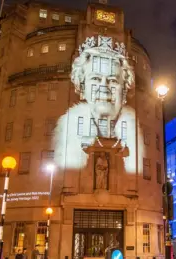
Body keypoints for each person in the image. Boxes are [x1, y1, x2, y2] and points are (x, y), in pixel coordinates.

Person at [53, 35, 141, 174]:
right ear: (82, 88)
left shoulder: (133, 139)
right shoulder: (68, 138)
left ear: (124, 92)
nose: (103, 87)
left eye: (113, 80)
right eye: (95, 78)